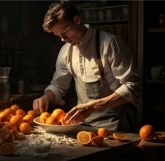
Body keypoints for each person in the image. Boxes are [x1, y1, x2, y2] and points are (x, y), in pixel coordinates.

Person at [32, 1, 141, 132]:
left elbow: (133, 87)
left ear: (77, 20)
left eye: (65, 32)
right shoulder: (66, 52)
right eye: (58, 35)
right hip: (83, 127)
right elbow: (58, 85)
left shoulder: (110, 44)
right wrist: (46, 97)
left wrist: (93, 106)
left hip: (116, 126)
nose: (63, 39)